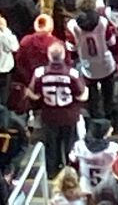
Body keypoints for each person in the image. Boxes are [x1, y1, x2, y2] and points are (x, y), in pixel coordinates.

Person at [28, 42, 88, 176]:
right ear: (64, 55)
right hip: (69, 116)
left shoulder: (40, 73)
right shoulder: (72, 73)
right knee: (70, 146)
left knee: (51, 146)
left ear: (49, 56)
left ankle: (52, 173)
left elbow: (33, 94)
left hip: (49, 115)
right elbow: (82, 96)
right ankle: (70, 174)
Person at [69, 119, 118, 194]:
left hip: (84, 187)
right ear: (105, 132)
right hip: (106, 188)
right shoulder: (113, 148)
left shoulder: (79, 145)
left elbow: (72, 159)